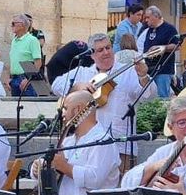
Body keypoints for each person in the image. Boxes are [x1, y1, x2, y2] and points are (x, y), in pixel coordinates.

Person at [52, 33, 150, 171]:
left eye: (108, 48)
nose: (106, 52)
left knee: (119, 183)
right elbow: (56, 85)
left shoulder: (128, 71)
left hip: (119, 143)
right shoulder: (83, 72)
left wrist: (143, 76)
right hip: (88, 145)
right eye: (100, 50)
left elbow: (148, 95)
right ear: (92, 55)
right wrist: (78, 87)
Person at [141, 5, 180, 97]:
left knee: (162, 97)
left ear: (156, 16)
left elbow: (177, 46)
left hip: (163, 70)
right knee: (150, 97)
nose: (146, 20)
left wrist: (163, 48)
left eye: (148, 17)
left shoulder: (169, 29)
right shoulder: (149, 30)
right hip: (149, 69)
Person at [8, 14, 42, 96]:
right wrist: (9, 78)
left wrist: (28, 79)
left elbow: (38, 62)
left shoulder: (32, 40)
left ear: (22, 25)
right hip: (14, 79)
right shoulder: (14, 41)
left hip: (26, 79)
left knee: (28, 103)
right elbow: (14, 60)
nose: (11, 26)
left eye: (13, 23)